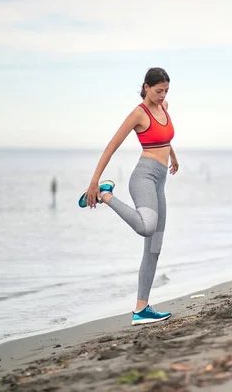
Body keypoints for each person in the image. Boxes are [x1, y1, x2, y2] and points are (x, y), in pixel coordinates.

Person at [78, 67, 179, 324]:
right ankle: (106, 195)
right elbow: (112, 146)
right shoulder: (138, 114)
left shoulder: (163, 106)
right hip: (143, 177)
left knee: (154, 247)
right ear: (146, 87)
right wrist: (94, 181)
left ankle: (141, 309)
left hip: (160, 181)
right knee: (147, 228)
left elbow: (165, 138)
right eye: (158, 90)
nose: (163, 95)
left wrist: (174, 157)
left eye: (166, 90)